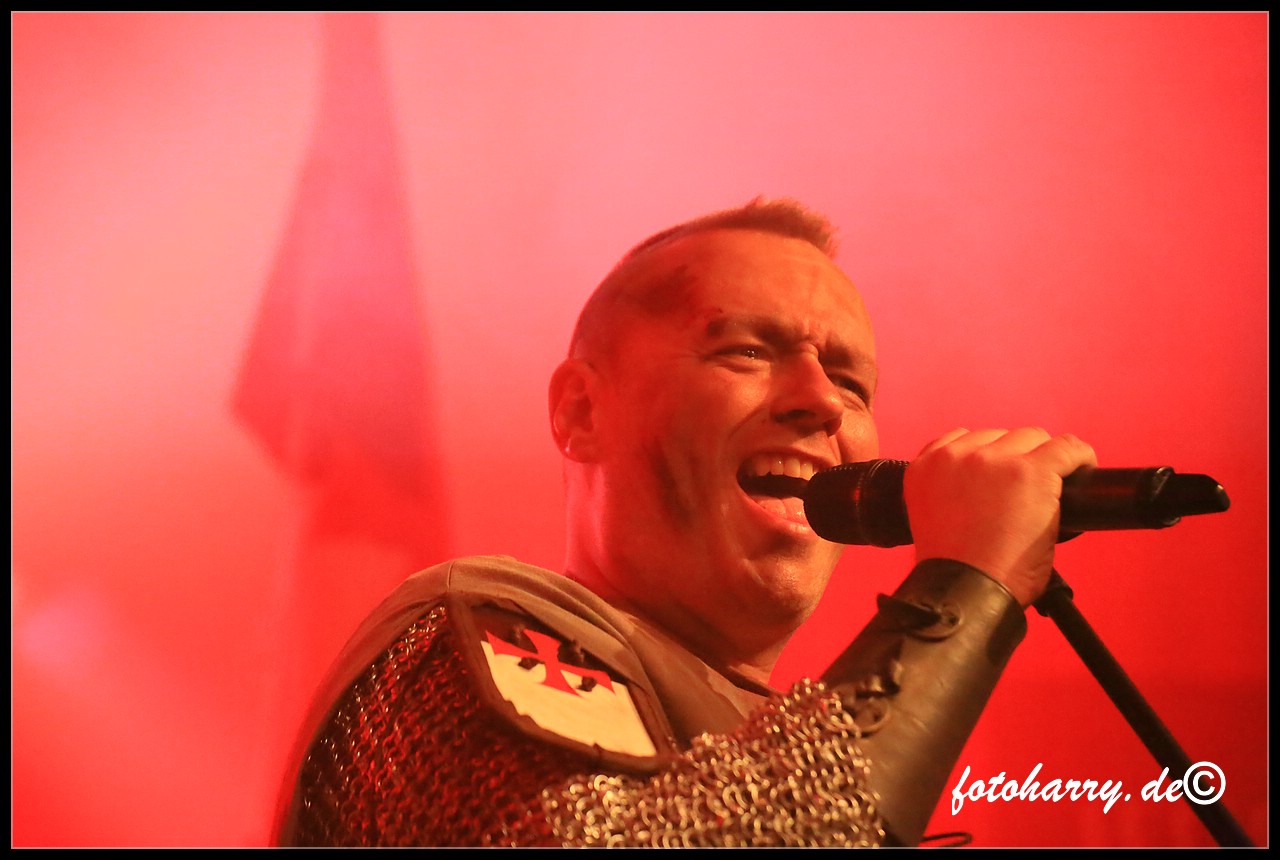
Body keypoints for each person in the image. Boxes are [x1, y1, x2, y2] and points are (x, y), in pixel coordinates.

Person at [271, 198, 1097, 847]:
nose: (820, 400)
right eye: (746, 351)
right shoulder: (471, 625)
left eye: (852, 383)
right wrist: (962, 587)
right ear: (582, 410)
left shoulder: (779, 741)